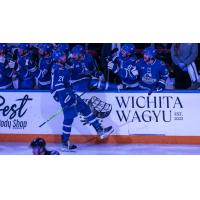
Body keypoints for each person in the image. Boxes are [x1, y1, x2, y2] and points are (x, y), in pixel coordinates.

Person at [51, 50, 113, 151]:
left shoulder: (60, 66)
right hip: (65, 95)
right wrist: (67, 98)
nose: (65, 57)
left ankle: (99, 130)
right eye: (62, 57)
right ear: (58, 59)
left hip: (69, 93)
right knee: (68, 118)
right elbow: (58, 86)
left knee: (85, 108)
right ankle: (64, 142)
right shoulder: (59, 69)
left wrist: (87, 76)